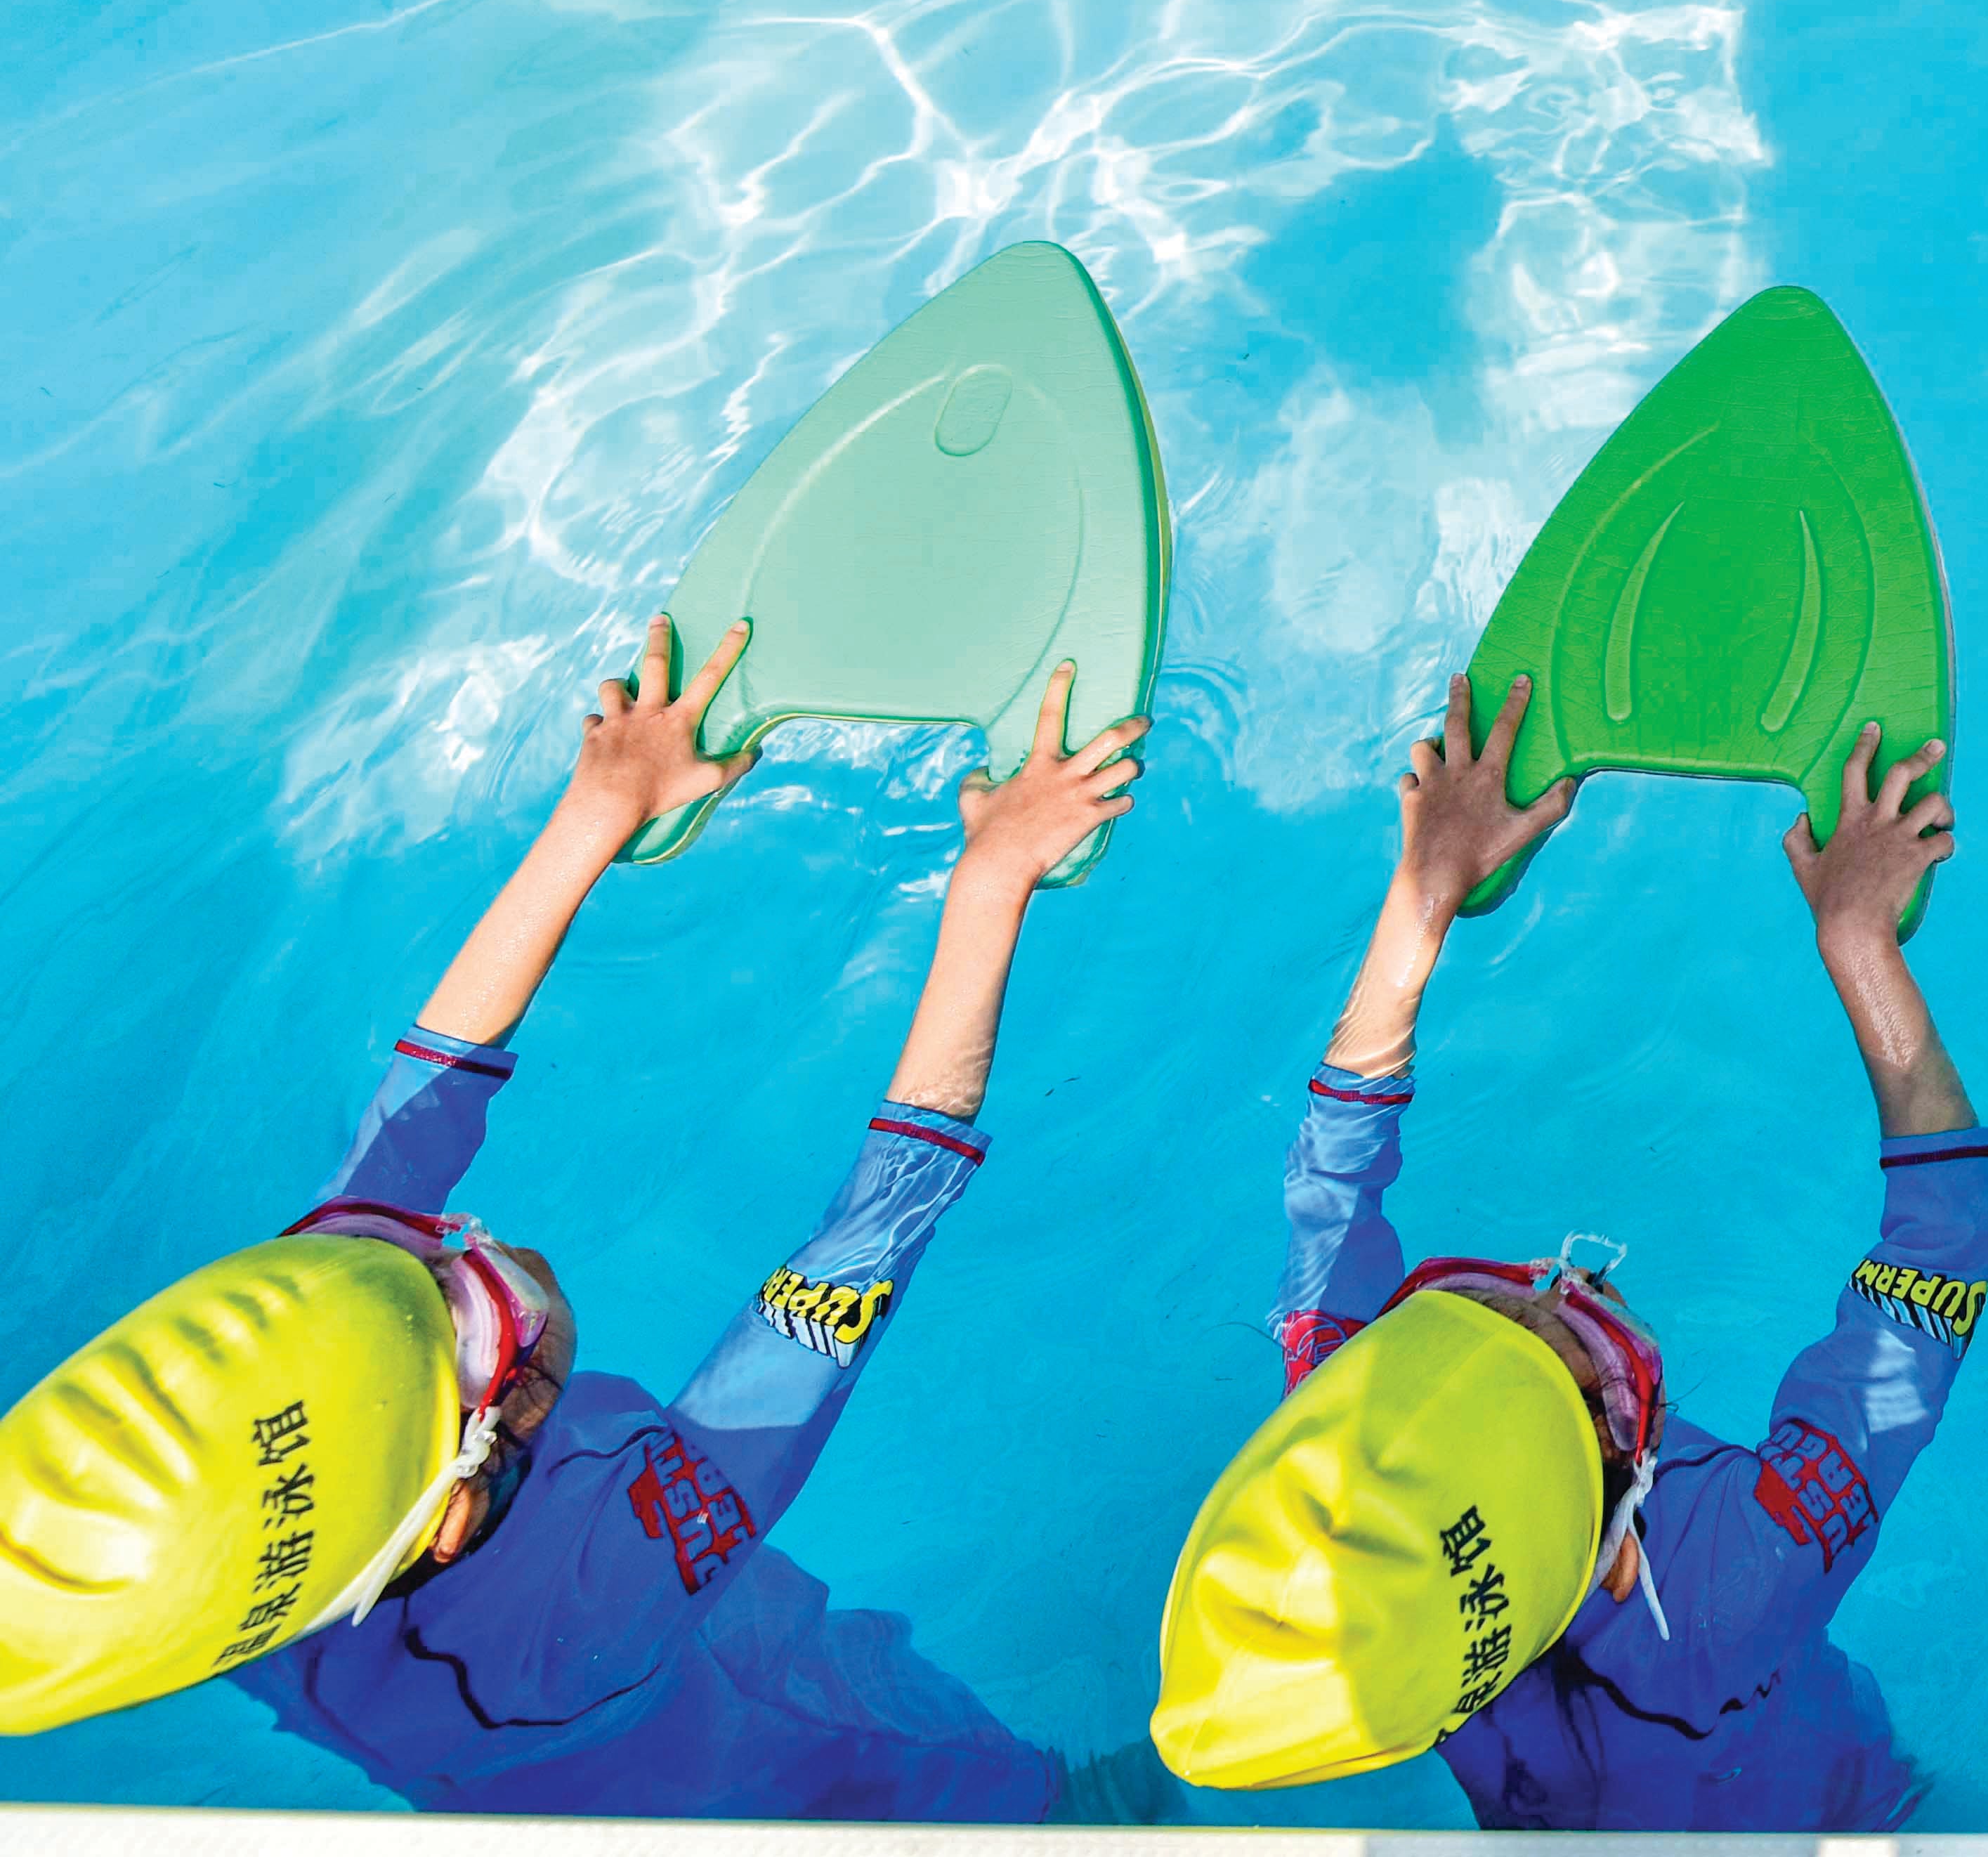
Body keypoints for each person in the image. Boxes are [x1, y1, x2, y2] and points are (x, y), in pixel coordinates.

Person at [0, 616, 1149, 1820]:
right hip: (739, 1755)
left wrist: (599, 808)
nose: (463, 1233)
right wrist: (991, 884)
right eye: (462, 1283)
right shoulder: (619, 1583)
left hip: (439, 1746)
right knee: (1000, 1784)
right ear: (457, 1501)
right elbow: (863, 1246)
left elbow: (434, 1076)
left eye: (397, 1252)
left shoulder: (256, 1516)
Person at [1150, 682, 1988, 1828]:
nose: (1564, 1284)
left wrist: (1424, 891)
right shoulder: (1742, 1576)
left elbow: (1331, 1172)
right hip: (1816, 1799)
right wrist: (1858, 948)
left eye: (1482, 1306)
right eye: (1584, 1351)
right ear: (1608, 1555)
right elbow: (1940, 1247)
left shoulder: (1362, 1437)